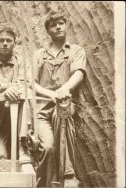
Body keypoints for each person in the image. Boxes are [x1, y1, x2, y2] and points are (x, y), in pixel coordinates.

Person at [33, 12, 86, 187]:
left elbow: (78, 74)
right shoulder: (39, 54)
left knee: (61, 113)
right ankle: (44, 184)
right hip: (41, 109)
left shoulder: (76, 51)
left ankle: (68, 175)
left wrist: (64, 89)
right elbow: (31, 84)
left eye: (61, 23)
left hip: (64, 104)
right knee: (47, 148)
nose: (58, 26)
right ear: (48, 30)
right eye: (53, 24)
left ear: (66, 25)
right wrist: (50, 94)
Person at [0, 26, 30, 161]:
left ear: (15, 42)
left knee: (26, 96)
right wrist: (5, 90)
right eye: (1, 40)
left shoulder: (22, 62)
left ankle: (22, 143)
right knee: (1, 157)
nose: (5, 43)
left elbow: (25, 84)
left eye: (9, 40)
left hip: (19, 116)